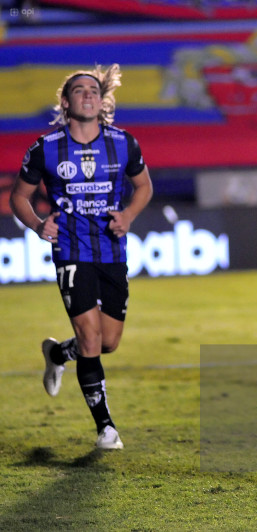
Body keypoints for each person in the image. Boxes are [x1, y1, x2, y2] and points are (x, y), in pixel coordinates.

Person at [10, 64, 153, 449]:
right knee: (90, 339)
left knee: (109, 342)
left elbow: (143, 187)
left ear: (102, 100)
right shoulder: (45, 148)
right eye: (79, 89)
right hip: (71, 250)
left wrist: (128, 215)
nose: (87, 94)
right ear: (66, 101)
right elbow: (18, 197)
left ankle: (57, 353)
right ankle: (106, 428)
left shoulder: (124, 143)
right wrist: (40, 226)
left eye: (93, 89)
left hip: (111, 250)